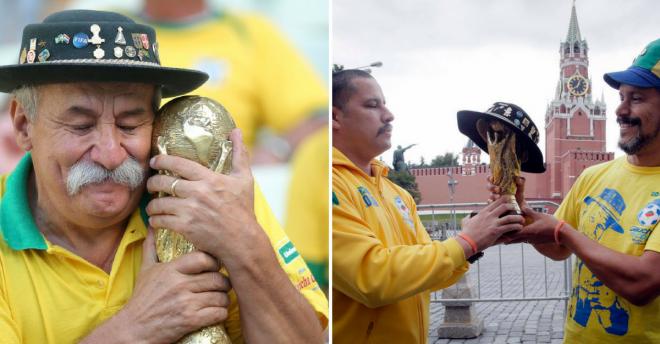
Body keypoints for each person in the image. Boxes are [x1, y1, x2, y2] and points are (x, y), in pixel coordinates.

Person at [0, 10, 327, 343]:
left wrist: (244, 242)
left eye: (130, 124)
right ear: (24, 126)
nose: (111, 154)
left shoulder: (209, 197)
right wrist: (136, 328)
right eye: (81, 126)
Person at [331, 68, 525, 343]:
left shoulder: (396, 193)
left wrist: (476, 242)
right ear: (335, 116)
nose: (389, 115)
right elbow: (372, 278)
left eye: (385, 104)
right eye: (373, 105)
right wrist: (467, 241)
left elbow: (426, 273)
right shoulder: (327, 185)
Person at [498, 39, 660, 343]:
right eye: (621, 97)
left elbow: (643, 284)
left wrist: (562, 230)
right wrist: (524, 219)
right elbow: (558, 249)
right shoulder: (593, 176)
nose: (620, 110)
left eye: (636, 98)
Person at [139, 0, 328, 164]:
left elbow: (319, 117)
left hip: (226, 190)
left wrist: (277, 150)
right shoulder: (117, 28)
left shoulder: (250, 31)